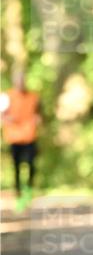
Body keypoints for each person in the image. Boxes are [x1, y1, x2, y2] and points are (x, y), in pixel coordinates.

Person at [1, 69, 42, 213]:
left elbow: (39, 114)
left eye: (22, 80)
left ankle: (28, 190)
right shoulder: (7, 97)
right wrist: (8, 119)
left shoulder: (33, 97)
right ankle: (18, 195)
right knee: (16, 167)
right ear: (14, 81)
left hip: (30, 136)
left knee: (31, 165)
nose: (21, 83)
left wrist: (38, 119)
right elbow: (1, 116)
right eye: (18, 80)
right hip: (14, 138)